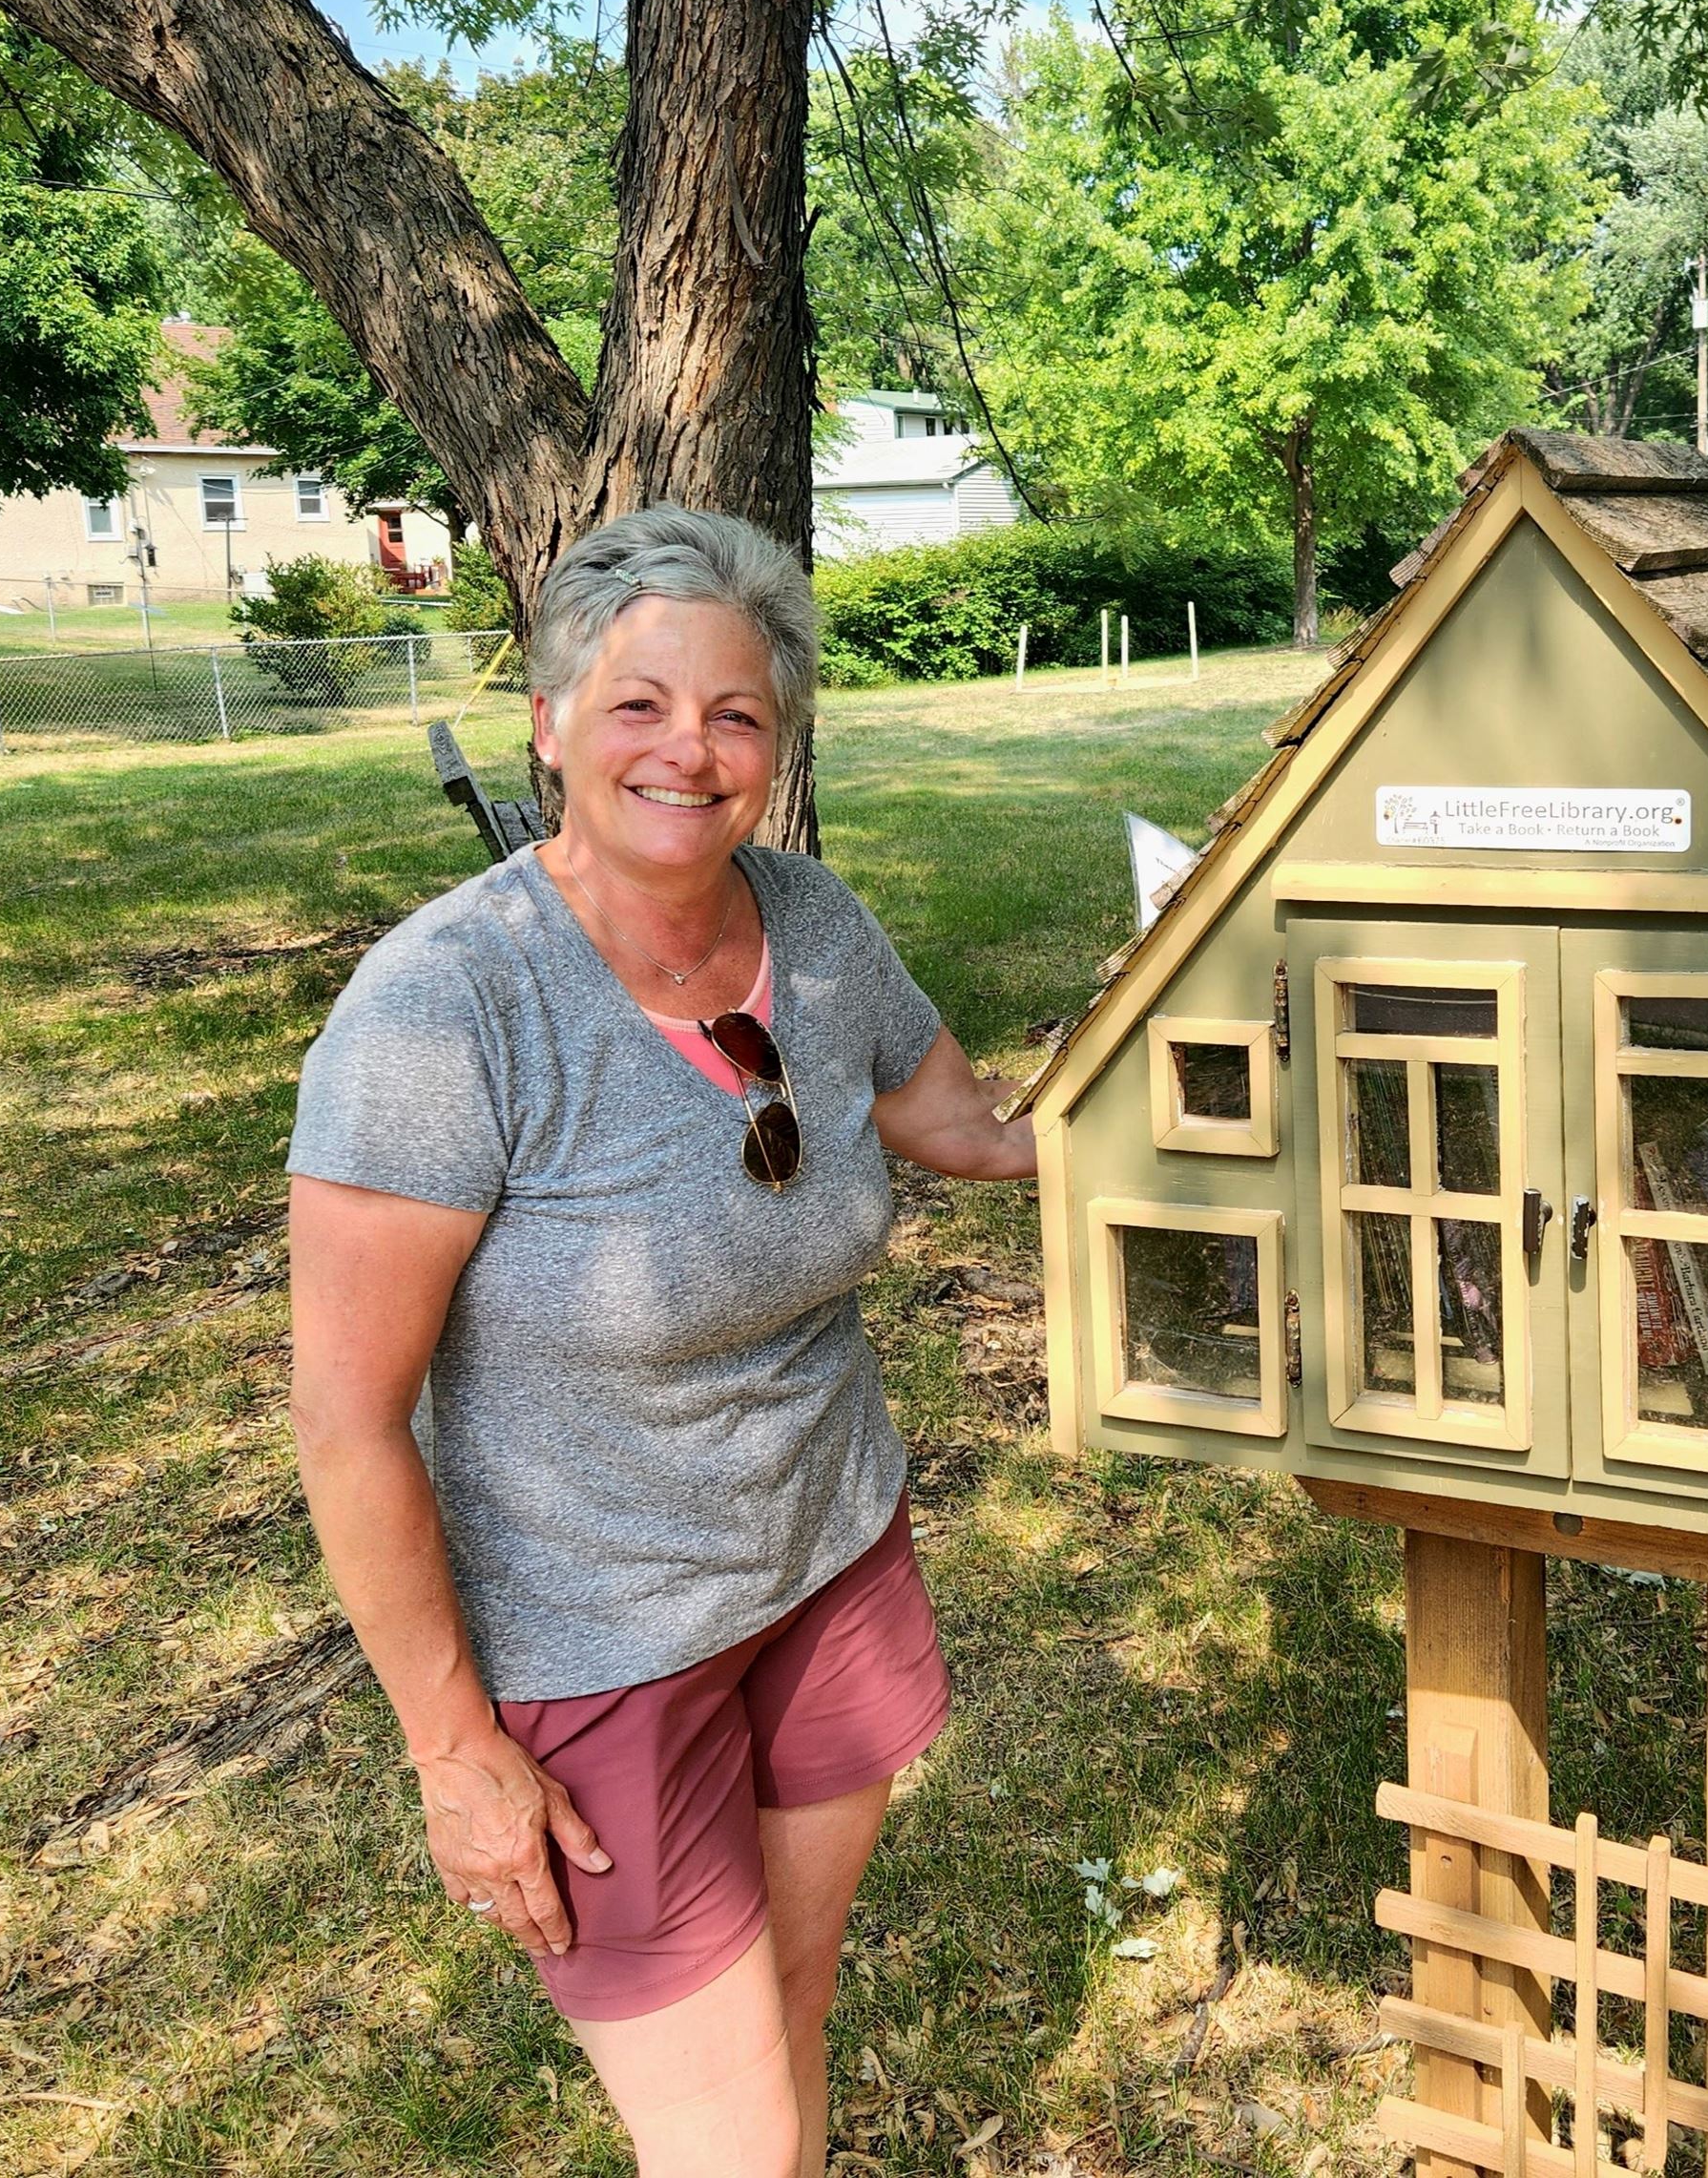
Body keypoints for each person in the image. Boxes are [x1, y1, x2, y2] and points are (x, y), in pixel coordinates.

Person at [286, 506, 1035, 2177]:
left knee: (798, 2005)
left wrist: (1227, 1097)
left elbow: (979, 1133)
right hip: (603, 1640)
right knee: (732, 2150)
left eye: (738, 715)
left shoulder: (815, 927)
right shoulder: (444, 1009)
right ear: (549, 721)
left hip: (827, 1553)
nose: (689, 751)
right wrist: (454, 1749)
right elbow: (347, 1422)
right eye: (638, 704)